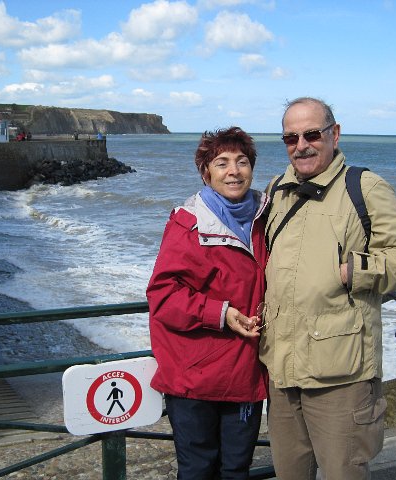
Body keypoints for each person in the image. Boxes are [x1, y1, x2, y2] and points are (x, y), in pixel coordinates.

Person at [260, 97, 396, 480]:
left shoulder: (364, 187)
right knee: (289, 474)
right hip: (282, 369)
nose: (301, 145)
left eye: (311, 134)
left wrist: (357, 269)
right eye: (290, 137)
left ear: (334, 134)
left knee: (342, 473)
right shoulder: (277, 189)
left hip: (341, 374)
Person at [147, 126, 269, 479]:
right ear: (206, 172)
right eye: (222, 163)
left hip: (244, 370)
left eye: (242, 162)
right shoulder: (188, 224)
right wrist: (221, 313)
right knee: (199, 469)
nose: (234, 171)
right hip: (194, 374)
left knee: (236, 468)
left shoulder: (265, 218)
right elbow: (163, 296)